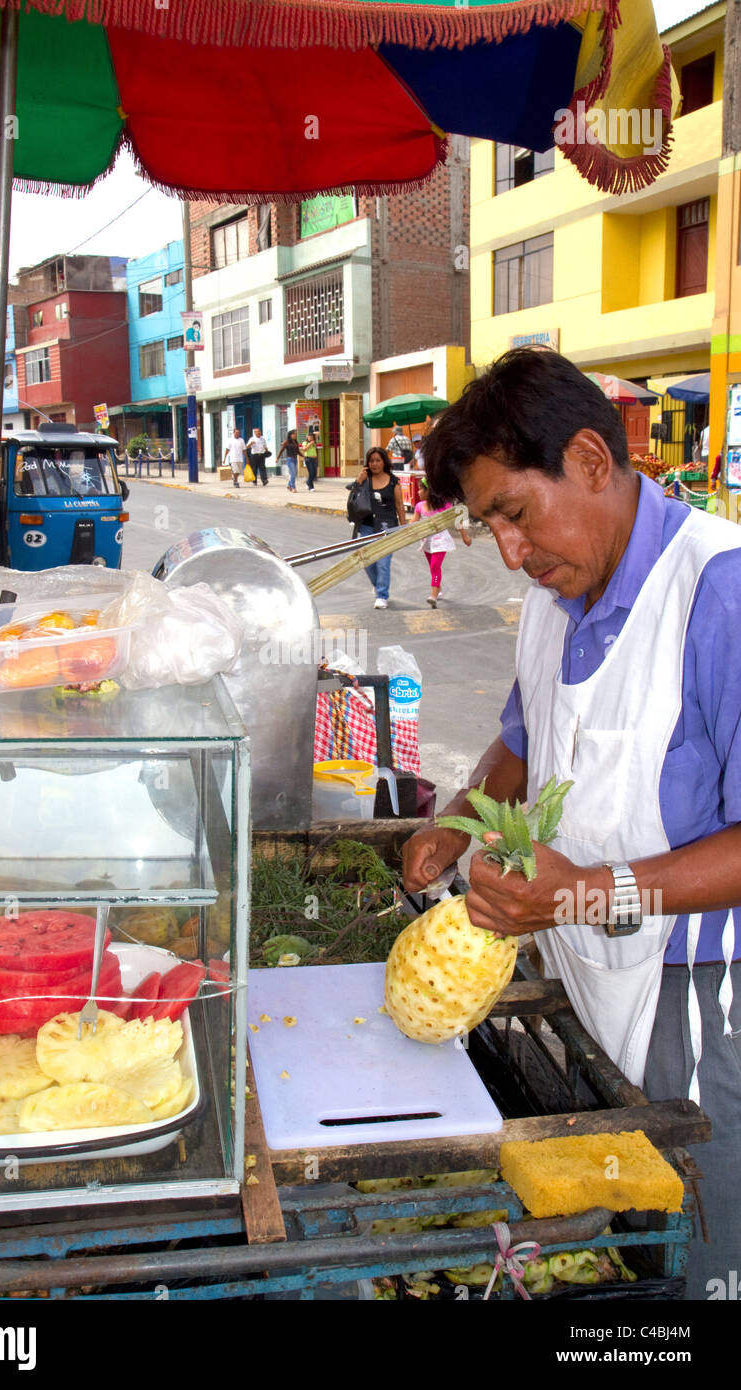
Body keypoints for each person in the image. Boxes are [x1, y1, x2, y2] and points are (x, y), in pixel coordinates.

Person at [402, 347, 741, 1300]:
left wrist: (587, 893)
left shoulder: (718, 592)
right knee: (625, 1250)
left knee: (697, 1251)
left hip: (702, 998)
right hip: (586, 976)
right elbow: (525, 735)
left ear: (592, 460)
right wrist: (461, 818)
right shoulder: (555, 594)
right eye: (487, 527)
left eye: (514, 512)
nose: (509, 550)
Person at [353, 446, 406, 609]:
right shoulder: (365, 480)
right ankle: (378, 584)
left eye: (378, 460)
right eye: (371, 461)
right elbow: (353, 499)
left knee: (383, 563)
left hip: (387, 528)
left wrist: (404, 526)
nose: (375, 464)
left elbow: (399, 504)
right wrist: (358, 481)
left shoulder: (393, 481)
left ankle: (382, 595)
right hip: (367, 526)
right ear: (367, 463)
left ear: (384, 462)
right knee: (367, 562)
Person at [411, 474, 471, 607]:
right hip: (427, 542)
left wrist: (464, 536)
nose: (418, 492)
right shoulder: (420, 506)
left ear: (429, 491)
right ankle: (438, 589)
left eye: (420, 489)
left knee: (435, 566)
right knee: (433, 569)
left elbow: (457, 520)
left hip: (441, 541)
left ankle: (433, 595)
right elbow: (412, 524)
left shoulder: (444, 506)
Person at [276, 428, 301, 492]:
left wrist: (304, 456)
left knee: (294, 473)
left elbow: (298, 451)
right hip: (289, 459)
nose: (295, 435)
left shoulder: (296, 442)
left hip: (295, 459)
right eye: (293, 434)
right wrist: (277, 458)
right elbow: (281, 450)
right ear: (290, 435)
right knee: (293, 473)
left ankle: (289, 485)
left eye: (295, 434)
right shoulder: (286, 442)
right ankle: (293, 487)